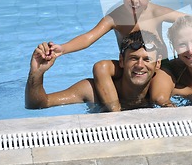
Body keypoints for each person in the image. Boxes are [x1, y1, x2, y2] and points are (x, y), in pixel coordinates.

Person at [40, 0, 192, 111]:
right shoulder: (115, 17)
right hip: (131, 63)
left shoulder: (156, 12)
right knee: (100, 67)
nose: (135, 1)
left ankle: (171, 111)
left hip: (159, 66)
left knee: (159, 97)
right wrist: (62, 48)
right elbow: (88, 38)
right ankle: (115, 112)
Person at [26, 30, 163, 110]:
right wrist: (36, 74)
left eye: (147, 59)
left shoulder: (162, 91)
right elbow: (39, 103)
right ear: (121, 61)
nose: (139, 65)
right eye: (133, 58)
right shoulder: (91, 91)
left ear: (157, 63)